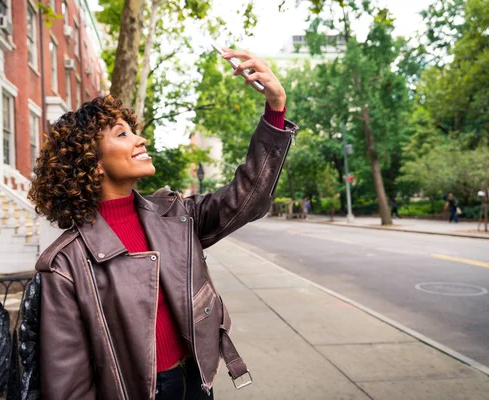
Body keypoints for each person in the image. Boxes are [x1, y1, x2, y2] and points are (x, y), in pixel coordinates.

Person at [28, 48, 297, 400]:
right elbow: (69, 384)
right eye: (121, 134)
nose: (140, 139)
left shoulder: (175, 215)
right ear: (92, 163)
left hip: (197, 382)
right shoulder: (64, 264)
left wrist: (275, 109)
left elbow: (249, 197)